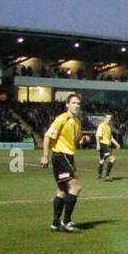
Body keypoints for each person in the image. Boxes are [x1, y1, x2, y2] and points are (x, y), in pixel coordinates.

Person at [40, 93, 84, 231]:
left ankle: (55, 223)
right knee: (75, 187)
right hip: (60, 156)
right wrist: (45, 156)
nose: (76, 105)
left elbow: (74, 141)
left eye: (78, 103)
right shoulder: (62, 119)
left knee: (62, 190)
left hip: (69, 157)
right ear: (67, 104)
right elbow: (47, 137)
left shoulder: (76, 122)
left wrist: (82, 141)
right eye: (74, 103)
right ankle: (67, 222)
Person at [95, 113, 120, 180]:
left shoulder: (108, 127)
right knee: (112, 159)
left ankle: (100, 176)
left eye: (110, 118)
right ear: (104, 118)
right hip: (103, 144)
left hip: (107, 145)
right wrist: (97, 144)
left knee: (102, 160)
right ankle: (107, 176)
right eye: (108, 118)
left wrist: (116, 144)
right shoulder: (101, 125)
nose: (109, 119)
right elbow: (97, 135)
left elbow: (110, 137)